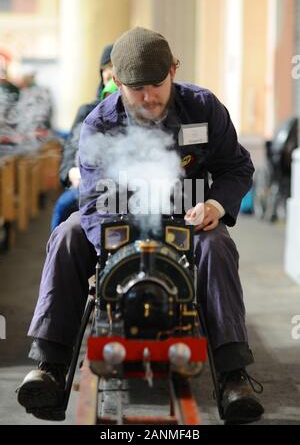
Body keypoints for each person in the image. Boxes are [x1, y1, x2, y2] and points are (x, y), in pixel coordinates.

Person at [17, 27, 264, 424]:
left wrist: (216, 204)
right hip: (117, 221)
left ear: (173, 70)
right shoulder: (99, 122)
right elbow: (95, 202)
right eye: (136, 88)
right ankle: (49, 365)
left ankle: (234, 374)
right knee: (66, 234)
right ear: (116, 82)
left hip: (187, 220)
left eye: (156, 84)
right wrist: (112, 256)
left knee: (218, 245)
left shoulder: (204, 107)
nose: (148, 97)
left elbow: (237, 167)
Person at [51, 45, 117, 230]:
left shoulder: (137, 108)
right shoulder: (88, 111)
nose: (111, 73)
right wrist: (72, 172)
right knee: (65, 206)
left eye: (117, 67)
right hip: (88, 184)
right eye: (107, 67)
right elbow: (69, 153)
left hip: (124, 185)